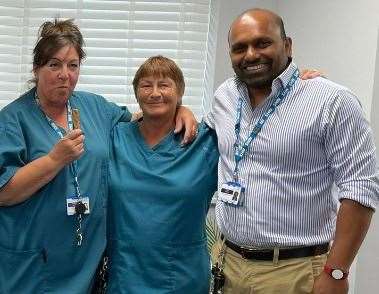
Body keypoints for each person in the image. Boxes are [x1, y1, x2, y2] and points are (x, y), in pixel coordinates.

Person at [0, 19, 196, 293]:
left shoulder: (94, 107)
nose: (64, 75)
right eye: (53, 65)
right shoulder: (12, 120)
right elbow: (4, 191)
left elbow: (143, 120)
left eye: (73, 65)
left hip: (86, 260)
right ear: (37, 67)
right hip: (35, 262)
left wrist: (180, 109)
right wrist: (54, 160)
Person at [205, 8, 379, 294]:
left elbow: (360, 189)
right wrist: (178, 112)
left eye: (262, 43)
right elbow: (202, 130)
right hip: (228, 263)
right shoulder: (225, 96)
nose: (250, 55)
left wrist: (336, 273)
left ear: (287, 45)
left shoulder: (331, 101)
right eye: (239, 48)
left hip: (293, 272)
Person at [107, 55, 219, 293]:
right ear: (136, 94)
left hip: (183, 279)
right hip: (125, 276)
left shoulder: (205, 143)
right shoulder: (115, 137)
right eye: (146, 85)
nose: (155, 93)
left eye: (164, 85)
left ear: (180, 93)